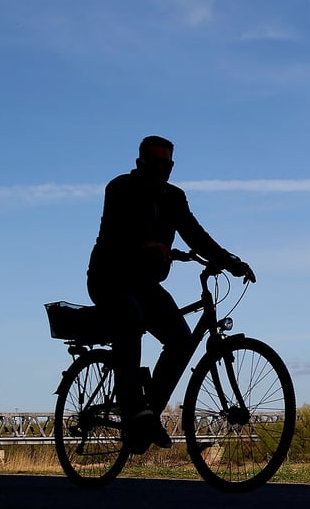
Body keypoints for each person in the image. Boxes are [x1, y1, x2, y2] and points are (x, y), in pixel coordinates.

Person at [86, 135, 256, 454]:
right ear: (140, 163)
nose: (162, 169)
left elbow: (195, 234)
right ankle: (134, 407)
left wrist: (228, 260)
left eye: (167, 164)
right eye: (155, 162)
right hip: (109, 277)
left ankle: (146, 412)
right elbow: (114, 233)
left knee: (181, 338)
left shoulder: (174, 198)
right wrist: (144, 246)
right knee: (130, 315)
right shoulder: (120, 188)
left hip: (145, 284)